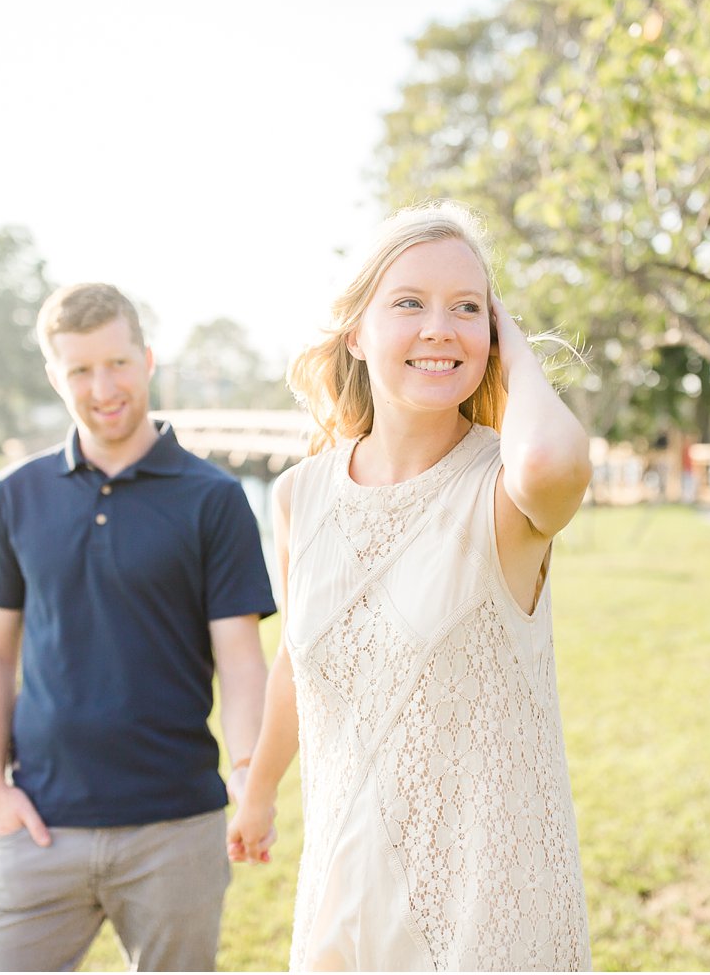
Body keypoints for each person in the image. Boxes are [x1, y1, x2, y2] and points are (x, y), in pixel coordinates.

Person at [225, 203, 594, 971]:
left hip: (485, 908)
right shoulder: (299, 496)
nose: (439, 327)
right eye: (409, 303)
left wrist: (511, 341)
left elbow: (556, 462)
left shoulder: (503, 488)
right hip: (346, 889)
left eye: (467, 308)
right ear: (356, 333)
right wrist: (259, 790)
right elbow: (297, 660)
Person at [0, 282, 276, 972]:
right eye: (80, 370)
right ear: (55, 376)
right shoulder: (16, 493)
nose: (103, 387)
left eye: (118, 363)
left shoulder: (214, 499)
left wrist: (250, 773)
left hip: (176, 829)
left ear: (148, 359)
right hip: (39, 828)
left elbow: (242, 661)